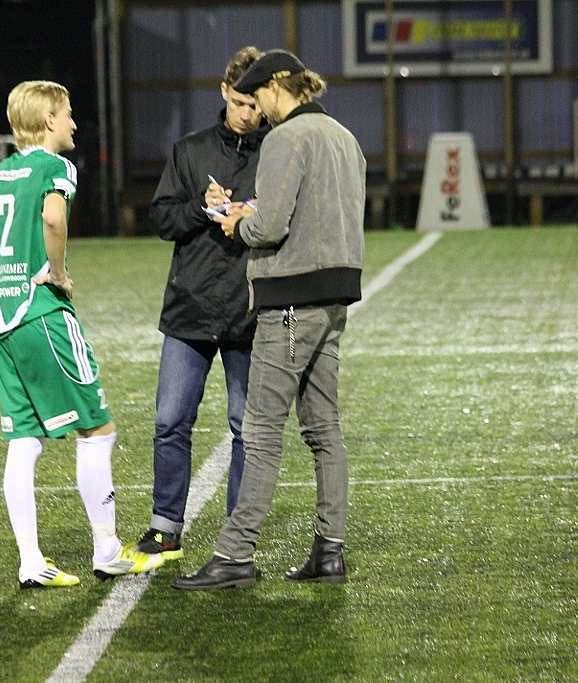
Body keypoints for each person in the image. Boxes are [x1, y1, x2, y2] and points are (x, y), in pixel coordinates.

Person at [0, 80, 163, 588]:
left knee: (25, 441)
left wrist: (5, 274)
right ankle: (107, 551)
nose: (73, 123)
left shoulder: (1, 173)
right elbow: (52, 216)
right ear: (49, 121)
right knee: (98, 430)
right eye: (67, 114)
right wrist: (58, 273)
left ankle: (31, 562)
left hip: (7, 321)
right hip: (45, 316)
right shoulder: (56, 167)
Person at [172, 50, 366, 590]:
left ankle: (234, 555)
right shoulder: (344, 137)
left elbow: (271, 227)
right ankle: (329, 551)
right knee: (324, 429)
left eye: (258, 98)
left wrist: (238, 222)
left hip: (290, 304)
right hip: (334, 299)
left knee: (259, 430)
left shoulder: (287, 139)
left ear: (277, 86)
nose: (256, 111)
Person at [134, 47, 270, 560]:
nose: (247, 114)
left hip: (249, 310)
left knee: (245, 428)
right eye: (239, 103)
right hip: (190, 309)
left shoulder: (278, 151)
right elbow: (162, 219)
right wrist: (200, 207)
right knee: (170, 421)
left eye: (255, 105)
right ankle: (165, 526)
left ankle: (236, 537)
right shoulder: (190, 150)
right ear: (224, 92)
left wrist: (255, 215)